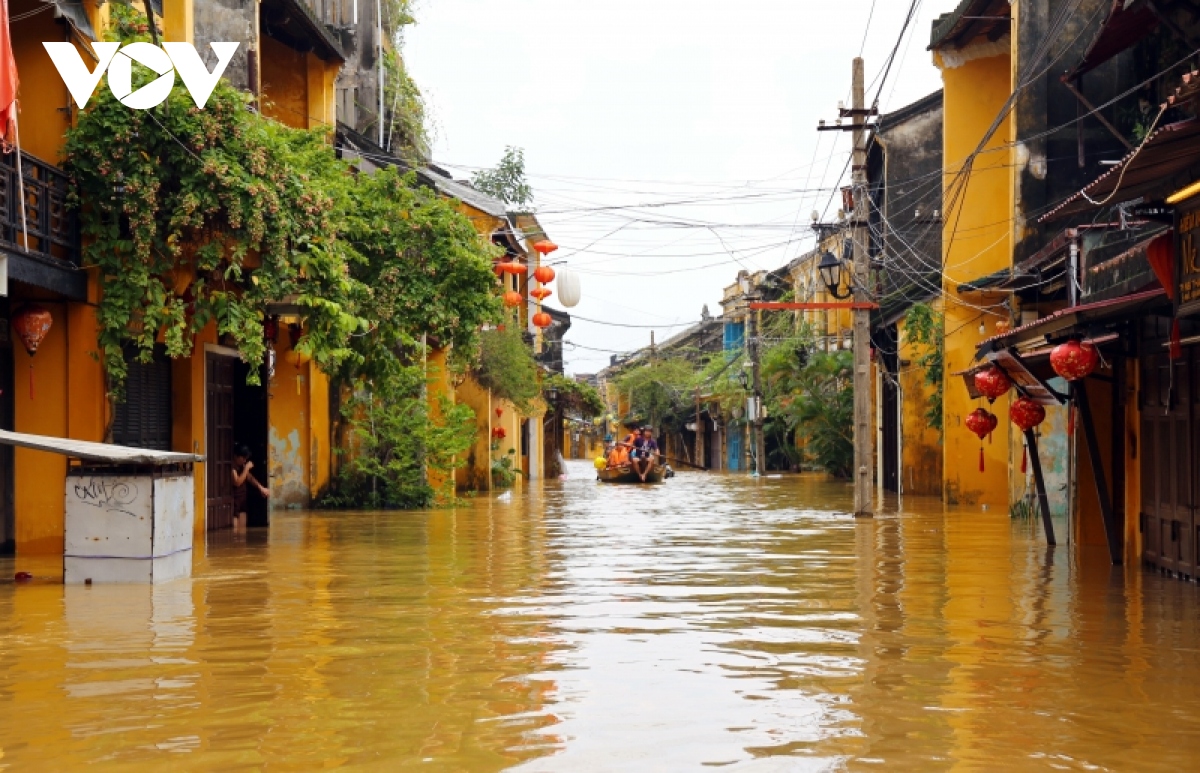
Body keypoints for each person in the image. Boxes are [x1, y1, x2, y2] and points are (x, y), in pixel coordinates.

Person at [232, 444, 269, 533]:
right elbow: (237, 482)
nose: (244, 461)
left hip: (242, 499)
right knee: (235, 531)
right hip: (234, 500)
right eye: (243, 458)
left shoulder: (242, 467)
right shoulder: (232, 468)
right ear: (236, 456)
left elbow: (250, 478)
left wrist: (261, 488)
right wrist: (247, 469)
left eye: (246, 459)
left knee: (243, 533)